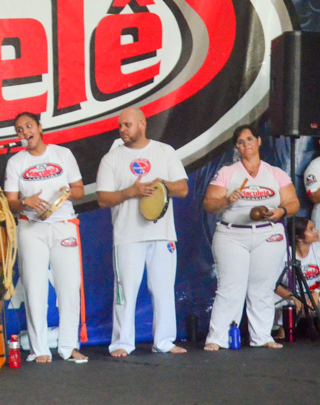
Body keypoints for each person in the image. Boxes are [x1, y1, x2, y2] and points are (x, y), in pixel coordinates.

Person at [95, 107, 189, 357]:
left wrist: (162, 185)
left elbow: (182, 189)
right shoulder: (111, 159)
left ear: (142, 124)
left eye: (127, 125)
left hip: (162, 234)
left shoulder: (164, 151)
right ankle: (122, 343)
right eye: (120, 126)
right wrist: (131, 192)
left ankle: (164, 341)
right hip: (128, 235)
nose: (122, 130)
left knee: (163, 290)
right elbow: (102, 198)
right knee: (125, 291)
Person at [202, 123, 298, 350]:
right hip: (232, 233)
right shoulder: (227, 173)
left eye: (250, 139)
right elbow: (209, 204)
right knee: (230, 287)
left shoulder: (275, 173)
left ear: (259, 141)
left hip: (268, 232)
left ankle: (262, 336)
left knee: (262, 287)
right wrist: (227, 200)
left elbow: (293, 202)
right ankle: (218, 337)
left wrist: (281, 211)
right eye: (241, 142)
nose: (246, 145)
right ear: (237, 147)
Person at [4, 112, 88, 364]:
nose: (25, 132)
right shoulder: (15, 162)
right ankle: (39, 349)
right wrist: (24, 202)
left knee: (69, 287)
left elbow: (80, 190)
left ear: (40, 128)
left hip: (63, 225)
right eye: (19, 130)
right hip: (31, 228)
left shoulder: (62, 154)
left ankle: (69, 347)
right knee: (34, 288)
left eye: (29, 126)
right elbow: (10, 203)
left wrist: (68, 192)